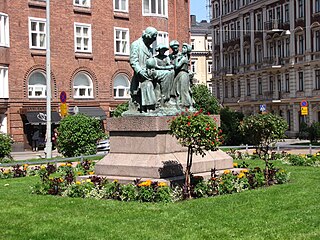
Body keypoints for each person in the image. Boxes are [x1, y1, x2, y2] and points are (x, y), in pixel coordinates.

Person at [129, 27, 158, 112]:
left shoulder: (149, 48)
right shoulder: (136, 44)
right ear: (147, 36)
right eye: (152, 40)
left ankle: (166, 102)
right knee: (147, 83)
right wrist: (140, 71)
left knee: (168, 75)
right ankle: (149, 107)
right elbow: (133, 61)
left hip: (150, 72)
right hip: (140, 74)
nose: (152, 42)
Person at [171, 43, 194, 109]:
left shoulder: (183, 58)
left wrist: (176, 59)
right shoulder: (184, 57)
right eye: (183, 47)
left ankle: (188, 105)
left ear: (187, 50)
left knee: (183, 91)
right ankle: (183, 105)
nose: (182, 49)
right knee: (180, 90)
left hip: (182, 75)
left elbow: (177, 66)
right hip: (181, 75)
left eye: (184, 48)